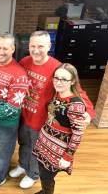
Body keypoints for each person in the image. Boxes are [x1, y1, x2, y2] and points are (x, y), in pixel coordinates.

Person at [9, 31, 95, 189]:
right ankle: (23, 165)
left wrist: (88, 113)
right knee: (23, 143)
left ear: (49, 46)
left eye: (40, 46)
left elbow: (78, 92)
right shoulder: (25, 61)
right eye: (32, 46)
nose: (36, 50)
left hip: (41, 120)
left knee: (35, 149)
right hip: (23, 115)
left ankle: (33, 174)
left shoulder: (57, 67)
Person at [0, 34, 29, 192]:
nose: (1, 51)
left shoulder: (19, 74)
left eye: (5, 48)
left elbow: (13, 106)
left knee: (4, 151)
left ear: (13, 49)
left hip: (6, 123)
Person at [33, 63, 87, 194]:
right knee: (42, 173)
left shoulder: (75, 105)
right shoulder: (56, 94)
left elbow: (77, 134)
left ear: (73, 81)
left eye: (64, 79)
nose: (58, 82)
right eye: (56, 78)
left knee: (47, 176)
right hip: (45, 143)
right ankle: (45, 191)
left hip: (57, 150)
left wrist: (68, 157)